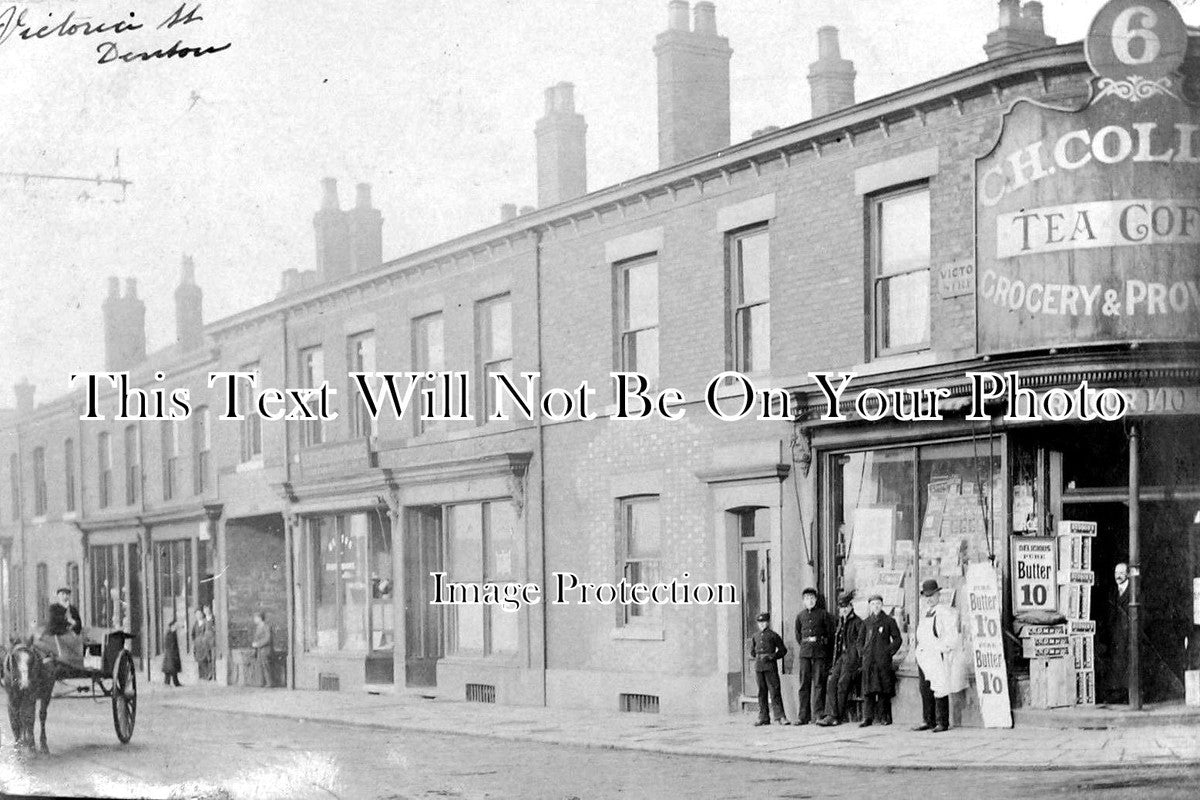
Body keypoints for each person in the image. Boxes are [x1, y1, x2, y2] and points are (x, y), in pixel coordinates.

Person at [913, 579, 961, 733]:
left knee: (940, 687)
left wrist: (942, 649)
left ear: (938, 595)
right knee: (925, 688)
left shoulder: (945, 612)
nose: (929, 599)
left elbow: (952, 636)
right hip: (924, 656)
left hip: (937, 655)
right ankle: (928, 719)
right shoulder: (925, 612)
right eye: (927, 596)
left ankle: (942, 721)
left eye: (932, 595)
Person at [815, 589, 863, 727]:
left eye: (846, 607)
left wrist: (857, 661)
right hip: (841, 658)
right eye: (841, 608)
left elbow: (859, 643)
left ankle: (837, 716)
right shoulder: (841, 622)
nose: (843, 610)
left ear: (851, 607)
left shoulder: (857, 622)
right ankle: (831, 714)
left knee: (842, 684)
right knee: (831, 682)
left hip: (852, 660)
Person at [858, 593, 903, 727]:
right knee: (868, 690)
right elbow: (859, 641)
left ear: (882, 605)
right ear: (870, 606)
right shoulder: (866, 622)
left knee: (884, 690)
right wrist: (863, 652)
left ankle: (885, 717)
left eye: (878, 603)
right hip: (869, 661)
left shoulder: (889, 621)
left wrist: (888, 651)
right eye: (873, 604)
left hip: (883, 661)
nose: (876, 606)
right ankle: (868, 718)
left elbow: (897, 639)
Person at [793, 587, 833, 725]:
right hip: (805, 653)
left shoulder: (823, 615)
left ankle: (818, 714)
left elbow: (829, 634)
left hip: (819, 653)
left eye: (812, 598)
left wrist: (821, 647)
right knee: (804, 684)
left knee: (818, 683)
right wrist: (806, 645)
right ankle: (803, 716)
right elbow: (798, 635)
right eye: (807, 598)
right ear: (803, 601)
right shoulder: (800, 616)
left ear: (816, 600)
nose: (809, 601)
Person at [749, 611, 788, 726]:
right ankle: (763, 717)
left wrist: (772, 656)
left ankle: (780, 717)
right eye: (759, 622)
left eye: (764, 622)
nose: (762, 624)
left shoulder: (773, 635)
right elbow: (752, 652)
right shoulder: (755, 636)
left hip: (770, 666)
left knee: (774, 691)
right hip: (759, 667)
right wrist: (758, 657)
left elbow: (783, 650)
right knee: (762, 692)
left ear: (768, 622)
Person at [1102, 562, 1131, 704]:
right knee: (1115, 665)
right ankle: (1117, 693)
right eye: (1116, 573)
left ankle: (1127, 694)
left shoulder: (1134, 592)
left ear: (1128, 574)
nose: (1118, 576)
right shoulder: (1112, 591)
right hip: (1114, 634)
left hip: (1127, 636)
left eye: (1121, 573)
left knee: (1127, 664)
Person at [36, 587, 84, 666]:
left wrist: (72, 622)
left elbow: (78, 625)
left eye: (67, 594)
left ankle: (74, 662)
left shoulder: (73, 609)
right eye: (62, 594)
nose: (65, 596)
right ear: (58, 595)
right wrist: (68, 621)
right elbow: (54, 621)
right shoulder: (53, 608)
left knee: (75, 645)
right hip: (55, 636)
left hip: (70, 637)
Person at [248, 611, 274, 688]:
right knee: (260, 666)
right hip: (259, 650)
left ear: (260, 618)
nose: (254, 620)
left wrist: (258, 644)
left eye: (255, 618)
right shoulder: (258, 627)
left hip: (266, 650)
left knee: (265, 666)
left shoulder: (266, 627)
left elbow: (268, 638)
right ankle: (261, 682)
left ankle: (269, 683)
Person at [191, 608, 214, 681]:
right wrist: (194, 641)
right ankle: (201, 675)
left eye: (200, 614)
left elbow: (207, 632)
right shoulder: (195, 623)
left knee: (206, 658)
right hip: (198, 644)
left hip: (204, 643)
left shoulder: (205, 622)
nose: (198, 615)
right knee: (199, 659)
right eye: (197, 614)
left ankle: (208, 674)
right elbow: (193, 634)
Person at [162, 619, 183, 687]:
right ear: (172, 626)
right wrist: (172, 654)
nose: (177, 627)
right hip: (170, 654)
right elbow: (169, 645)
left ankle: (175, 682)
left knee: (172, 669)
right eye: (175, 625)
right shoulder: (169, 634)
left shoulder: (173, 633)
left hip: (172, 654)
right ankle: (168, 683)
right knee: (170, 669)